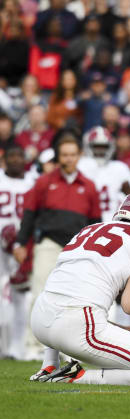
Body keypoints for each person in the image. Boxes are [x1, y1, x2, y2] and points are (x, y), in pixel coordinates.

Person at [28, 192, 130, 387]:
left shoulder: (91, 229)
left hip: (39, 320)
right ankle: (76, 377)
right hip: (78, 328)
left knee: (61, 292)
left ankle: (49, 365)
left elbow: (67, 292)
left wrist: (118, 329)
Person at [14, 135, 101, 314]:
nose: (69, 159)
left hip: (77, 249)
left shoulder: (89, 186)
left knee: (74, 299)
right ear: (58, 157)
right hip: (48, 243)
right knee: (40, 294)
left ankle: (65, 342)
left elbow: (95, 222)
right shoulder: (44, 182)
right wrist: (21, 243)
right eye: (64, 155)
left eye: (72, 154)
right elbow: (29, 214)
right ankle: (34, 343)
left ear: (80, 155)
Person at [0, 147, 36, 359]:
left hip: (22, 245)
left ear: (25, 159)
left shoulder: (33, 181)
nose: (15, 159)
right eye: (11, 156)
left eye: (19, 155)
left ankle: (17, 346)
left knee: (20, 295)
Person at [77, 126, 130, 223]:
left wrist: (127, 188)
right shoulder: (81, 166)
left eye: (104, 147)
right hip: (87, 219)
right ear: (88, 147)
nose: (100, 150)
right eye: (96, 146)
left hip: (114, 221)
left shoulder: (120, 168)